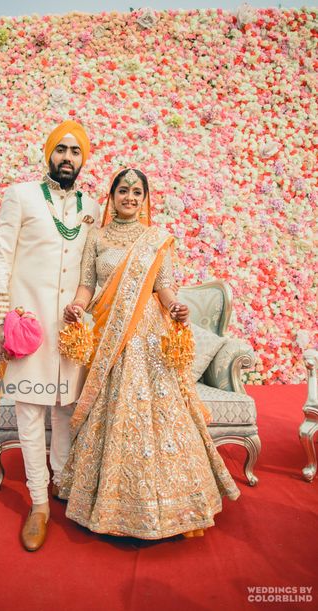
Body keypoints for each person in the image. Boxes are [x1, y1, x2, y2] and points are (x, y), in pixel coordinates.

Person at [59, 167, 240, 539]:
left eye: (136, 192)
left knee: (163, 415)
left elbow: (165, 287)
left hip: (149, 339)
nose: (130, 197)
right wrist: (76, 306)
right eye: (123, 190)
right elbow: (86, 285)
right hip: (111, 337)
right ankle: (107, 502)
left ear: (145, 198)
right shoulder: (97, 236)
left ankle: (176, 501)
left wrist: (176, 307)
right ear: (112, 196)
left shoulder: (155, 239)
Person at [0, 120, 100, 551]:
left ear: (82, 159)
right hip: (28, 325)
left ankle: (63, 486)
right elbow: (1, 258)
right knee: (33, 413)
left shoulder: (92, 205)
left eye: (75, 151)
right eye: (61, 150)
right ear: (48, 153)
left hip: (72, 329)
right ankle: (38, 505)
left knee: (66, 412)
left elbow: (95, 264)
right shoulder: (21, 195)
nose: (68, 157)